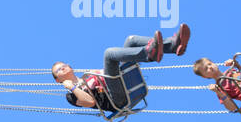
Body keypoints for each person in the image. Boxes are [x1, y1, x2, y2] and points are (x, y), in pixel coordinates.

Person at [52, 25, 191, 113]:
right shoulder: (70, 95)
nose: (63, 68)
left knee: (131, 40)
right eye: (59, 70)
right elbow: (90, 102)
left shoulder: (87, 76)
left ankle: (171, 45)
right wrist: (71, 87)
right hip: (116, 99)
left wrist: (100, 73)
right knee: (109, 54)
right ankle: (149, 53)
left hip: (118, 82)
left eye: (64, 65)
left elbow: (107, 74)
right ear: (58, 80)